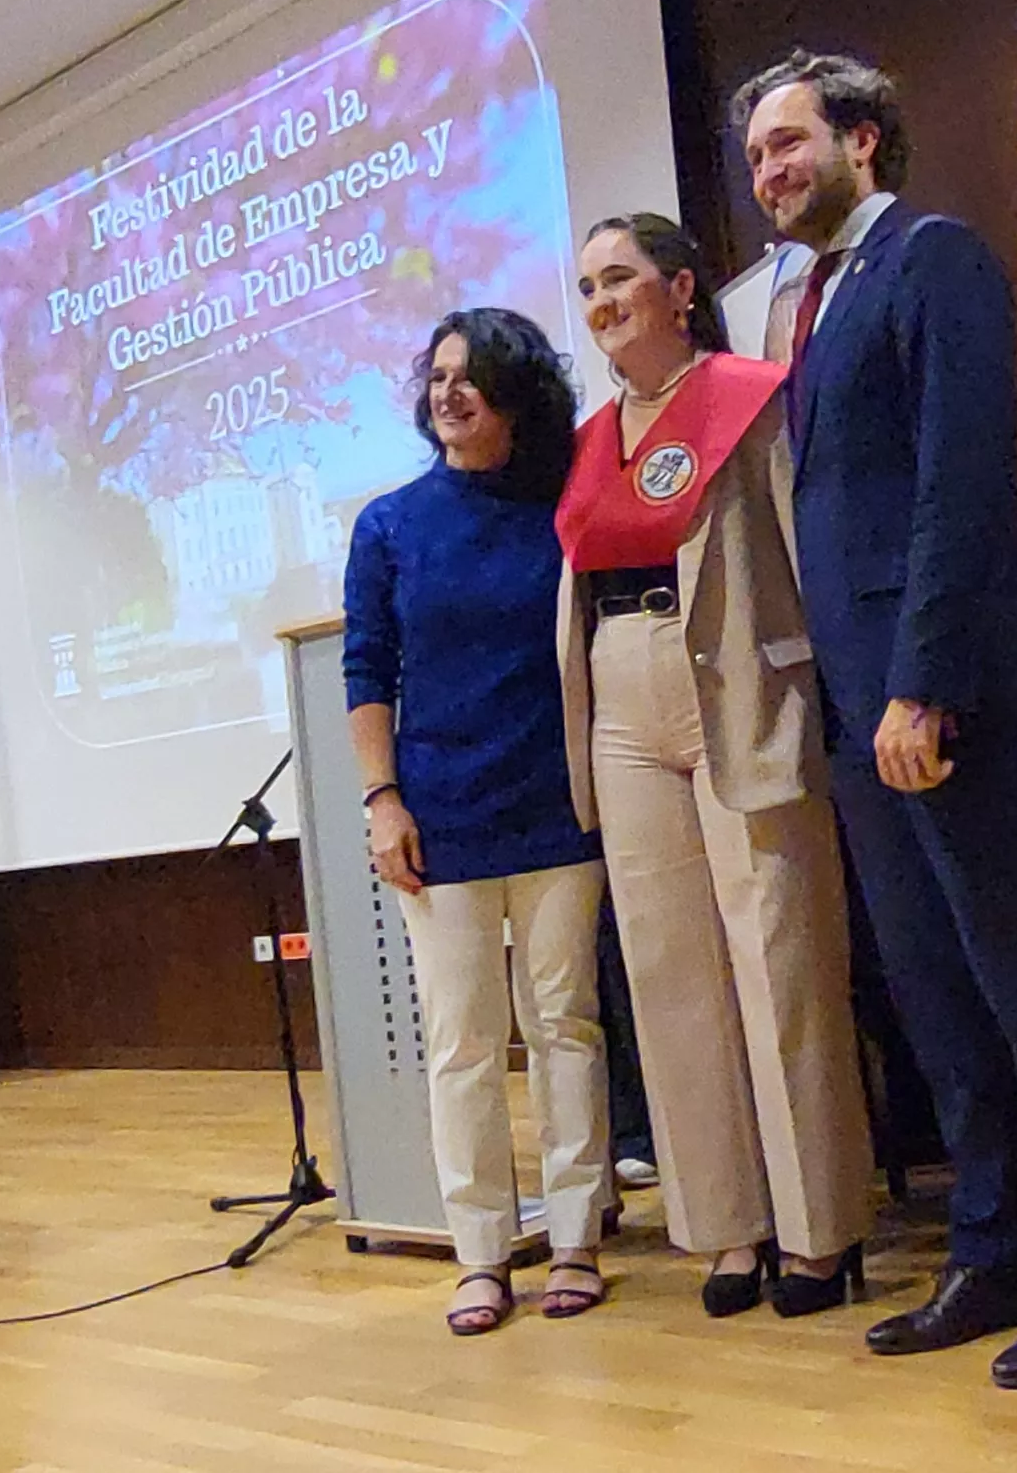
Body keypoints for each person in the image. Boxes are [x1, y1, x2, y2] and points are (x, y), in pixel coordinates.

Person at [734, 50, 1017, 1386]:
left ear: (864, 137)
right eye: (754, 158)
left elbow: (958, 493)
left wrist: (923, 685)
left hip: (953, 696)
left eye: (790, 142)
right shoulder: (818, 297)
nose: (769, 174)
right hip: (869, 716)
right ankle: (996, 1248)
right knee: (938, 1004)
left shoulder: (933, 258)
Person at [557, 211, 877, 1320]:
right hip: (621, 690)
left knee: (777, 960)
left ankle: (820, 1229)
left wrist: (831, 690)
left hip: (740, 681)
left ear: (681, 287)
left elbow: (803, 545)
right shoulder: (596, 436)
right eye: (588, 284)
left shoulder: (749, 393)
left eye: (621, 277)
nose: (601, 300)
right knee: (670, 972)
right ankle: (725, 1226)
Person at [344, 308, 613, 1336]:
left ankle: (579, 1236)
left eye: (473, 377)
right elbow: (369, 669)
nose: (449, 393)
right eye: (439, 376)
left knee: (565, 1024)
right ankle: (482, 1255)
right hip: (438, 815)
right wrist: (381, 800)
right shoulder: (391, 524)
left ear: (517, 395)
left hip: (557, 802)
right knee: (462, 1041)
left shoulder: (565, 505)